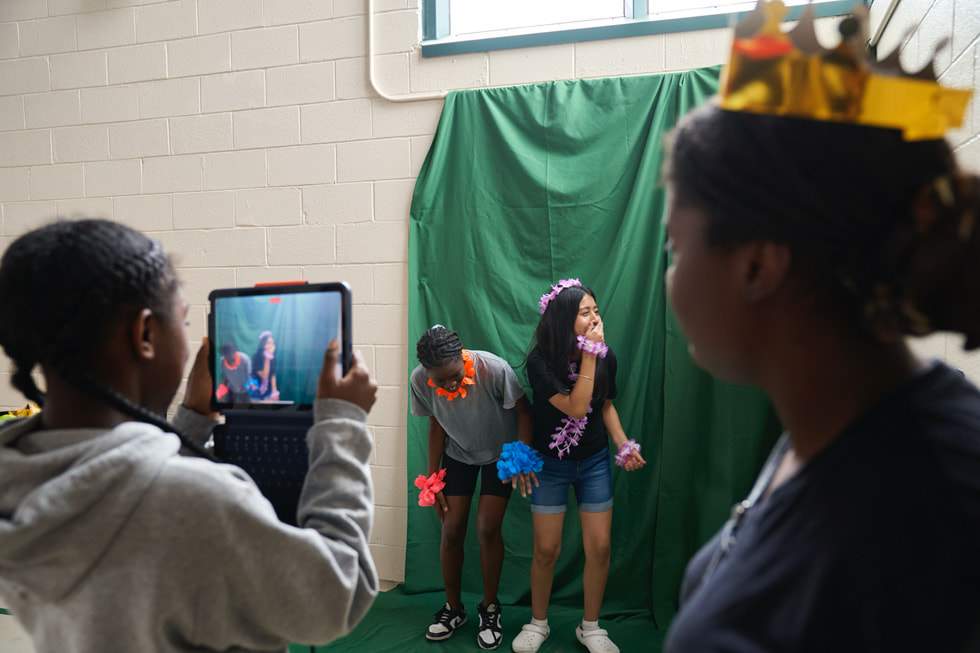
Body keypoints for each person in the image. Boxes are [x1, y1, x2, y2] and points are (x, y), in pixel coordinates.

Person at [659, 4, 980, 650]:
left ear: (757, 264)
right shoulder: (825, 429)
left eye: (674, 246)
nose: (670, 275)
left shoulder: (937, 518)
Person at [0, 219, 380, 652]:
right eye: (181, 320)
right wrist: (342, 425)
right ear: (145, 334)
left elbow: (122, 488)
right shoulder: (197, 502)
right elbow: (335, 597)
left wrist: (193, 421)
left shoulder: (16, 478)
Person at [511, 281, 645, 653]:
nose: (595, 318)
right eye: (585, 312)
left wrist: (624, 445)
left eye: (596, 310)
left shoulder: (607, 356)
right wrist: (589, 355)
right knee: (546, 549)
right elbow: (575, 406)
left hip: (595, 463)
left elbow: (603, 404)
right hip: (550, 465)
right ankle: (538, 623)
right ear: (563, 319)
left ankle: (590, 627)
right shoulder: (540, 361)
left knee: (599, 547)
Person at [410, 325, 535, 650]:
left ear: (462, 357)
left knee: (487, 529)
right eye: (441, 380)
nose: (450, 384)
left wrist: (520, 457)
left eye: (454, 375)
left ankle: (490, 608)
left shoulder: (492, 368)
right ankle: (453, 609)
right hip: (458, 454)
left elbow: (525, 412)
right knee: (451, 530)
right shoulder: (419, 381)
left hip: (500, 455)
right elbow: (436, 424)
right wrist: (431, 479)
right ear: (427, 373)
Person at [217, 340, 252, 404]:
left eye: (230, 356)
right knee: (230, 408)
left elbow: (250, 376)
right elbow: (225, 377)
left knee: (242, 409)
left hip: (244, 390)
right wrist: (221, 392)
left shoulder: (245, 359)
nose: (229, 359)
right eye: (226, 356)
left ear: (235, 352)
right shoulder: (222, 361)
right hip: (232, 389)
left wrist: (250, 387)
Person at [251, 330, 280, 401]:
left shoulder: (273, 358)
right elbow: (264, 376)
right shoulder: (256, 357)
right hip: (256, 389)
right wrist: (267, 358)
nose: (271, 346)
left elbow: (272, 375)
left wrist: (274, 391)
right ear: (262, 344)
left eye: (272, 343)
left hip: (268, 389)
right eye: (268, 343)